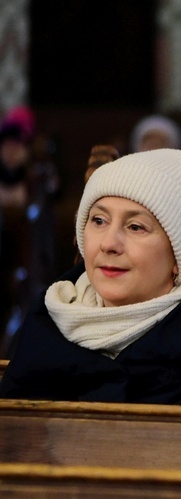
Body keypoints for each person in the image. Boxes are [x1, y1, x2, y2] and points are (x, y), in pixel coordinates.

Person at [0, 148, 181, 407]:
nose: (109, 243)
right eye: (98, 221)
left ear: (178, 257)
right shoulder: (42, 333)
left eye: (136, 227)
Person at [0, 106, 60, 355]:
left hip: (27, 265)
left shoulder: (37, 177)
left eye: (18, 146)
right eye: (7, 146)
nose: (12, 152)